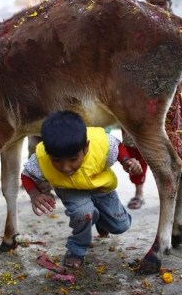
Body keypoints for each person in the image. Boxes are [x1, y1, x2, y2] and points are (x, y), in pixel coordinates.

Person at [21, 111, 142, 269]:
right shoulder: (42, 157)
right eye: (56, 160)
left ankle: (100, 220)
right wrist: (34, 194)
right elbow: (26, 175)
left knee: (121, 226)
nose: (65, 167)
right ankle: (76, 250)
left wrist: (127, 161)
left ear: (85, 148)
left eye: (73, 159)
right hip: (70, 189)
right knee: (83, 213)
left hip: (102, 187)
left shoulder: (99, 143)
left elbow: (117, 146)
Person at [122, 0, 182, 210]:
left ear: (170, 4)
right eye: (151, 3)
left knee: (173, 146)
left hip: (168, 101)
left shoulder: (181, 30)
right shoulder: (133, 31)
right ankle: (139, 191)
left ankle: (174, 195)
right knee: (137, 146)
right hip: (138, 97)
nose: (156, 7)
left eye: (161, 3)